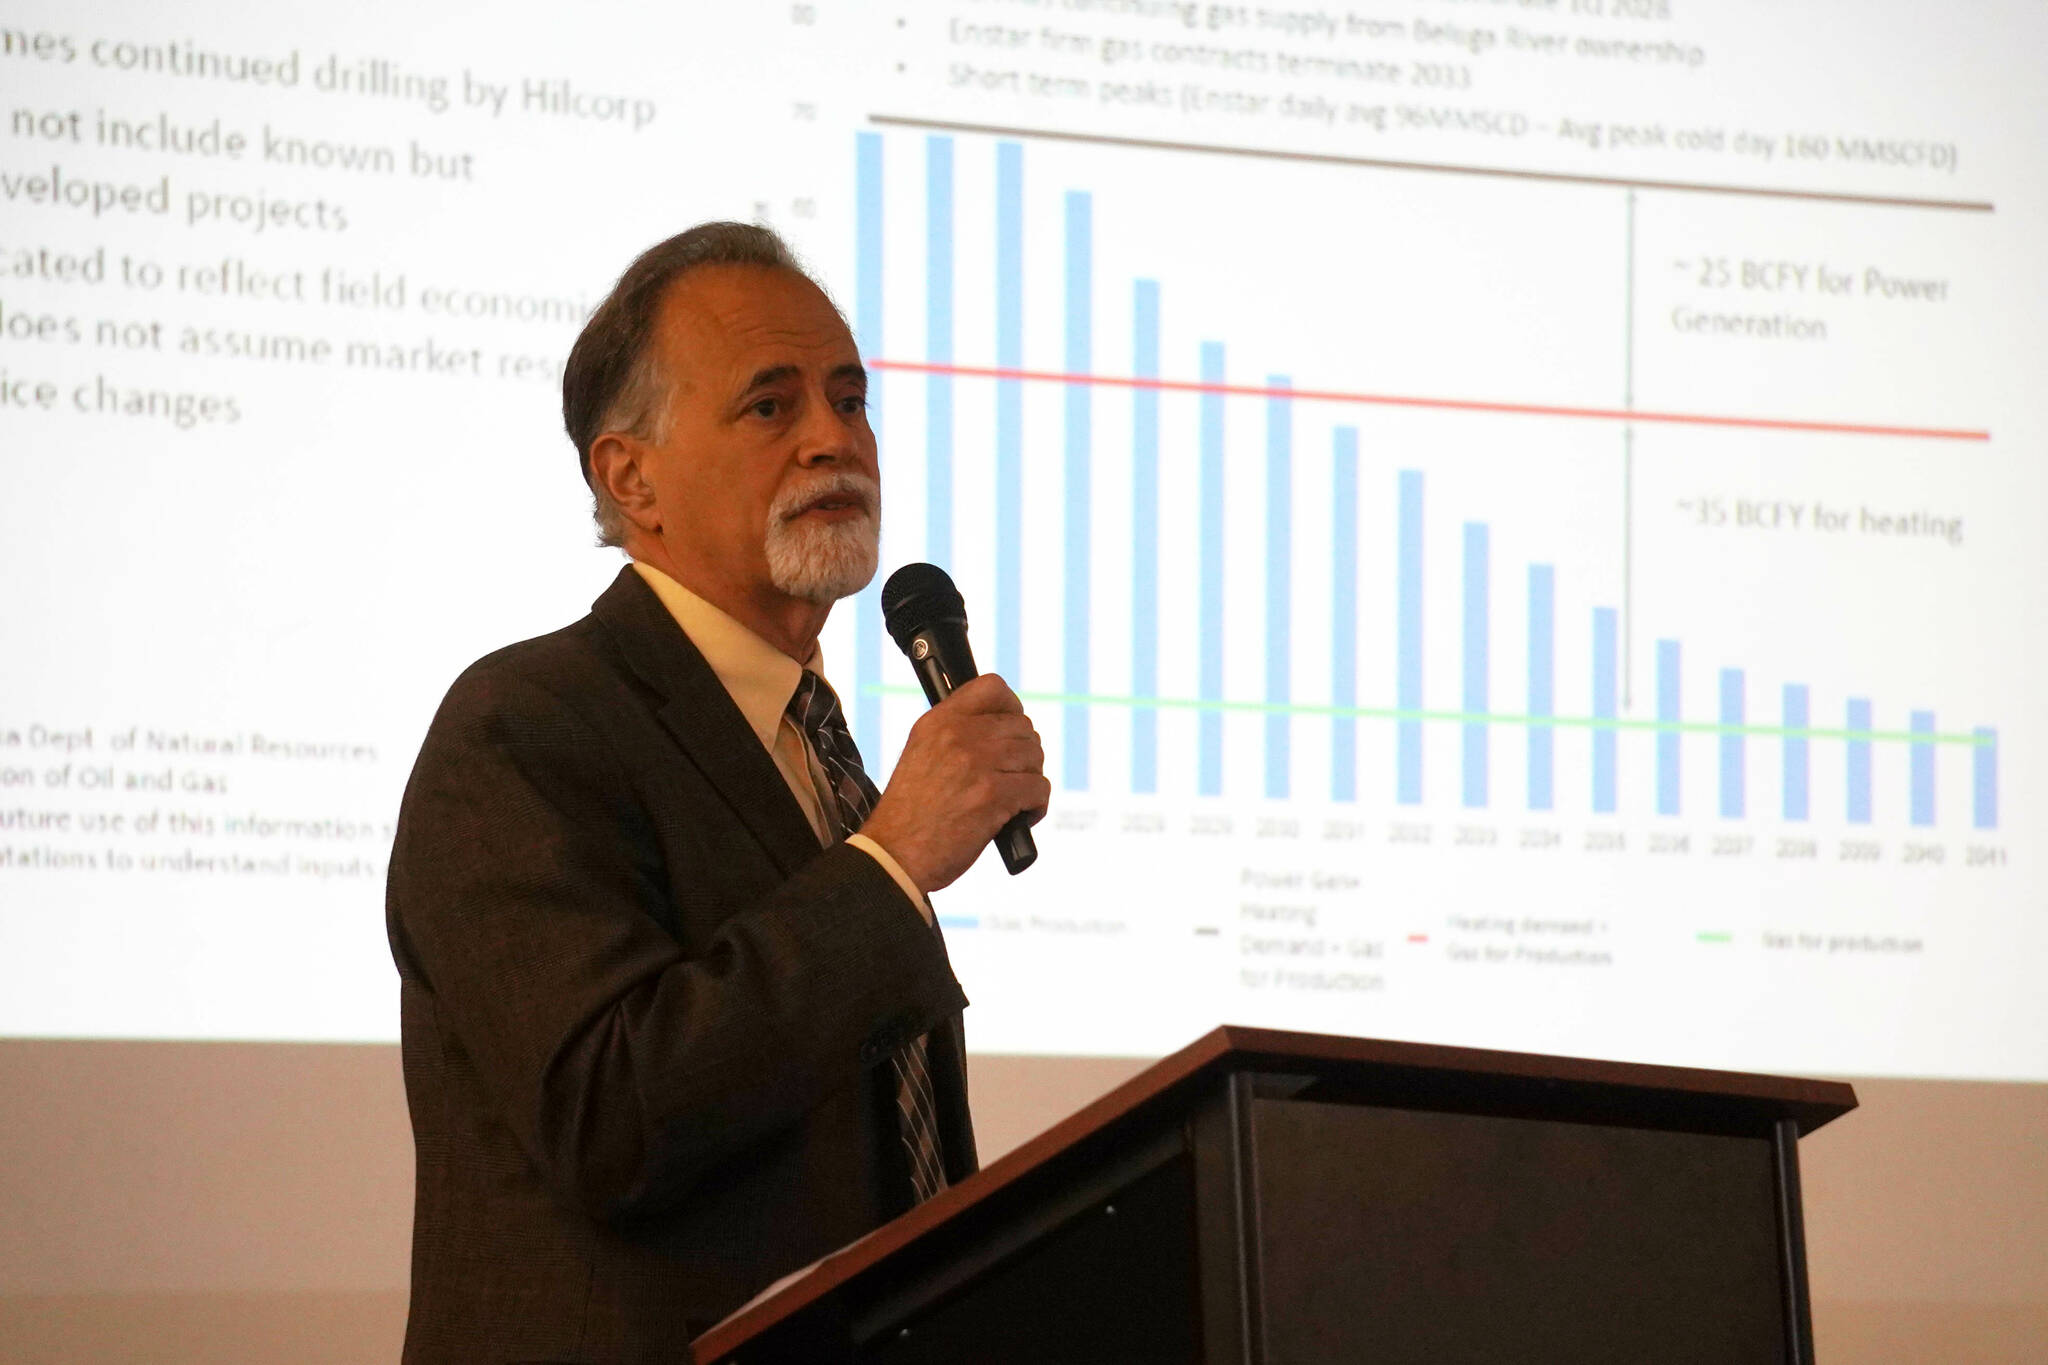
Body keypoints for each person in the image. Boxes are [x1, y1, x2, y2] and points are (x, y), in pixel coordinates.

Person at [385, 222, 1049, 1363]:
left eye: (849, 399)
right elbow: (610, 1115)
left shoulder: (819, 748)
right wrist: (891, 864)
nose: (833, 438)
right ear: (629, 477)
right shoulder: (522, 728)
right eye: (769, 404)